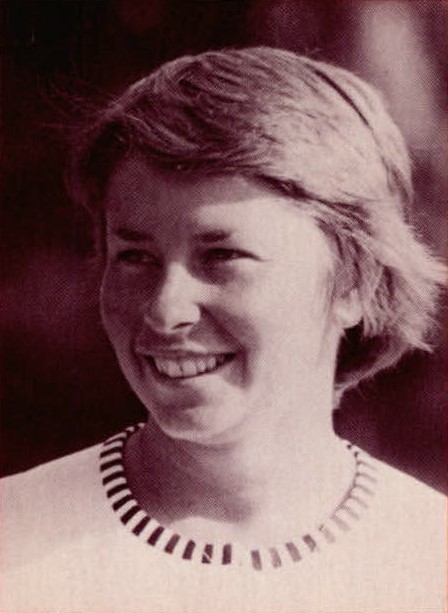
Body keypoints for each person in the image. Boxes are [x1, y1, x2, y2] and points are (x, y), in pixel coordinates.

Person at [1, 47, 446, 613]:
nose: (165, 311)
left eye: (222, 256)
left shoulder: (429, 563)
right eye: (134, 257)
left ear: (355, 283)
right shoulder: (15, 543)